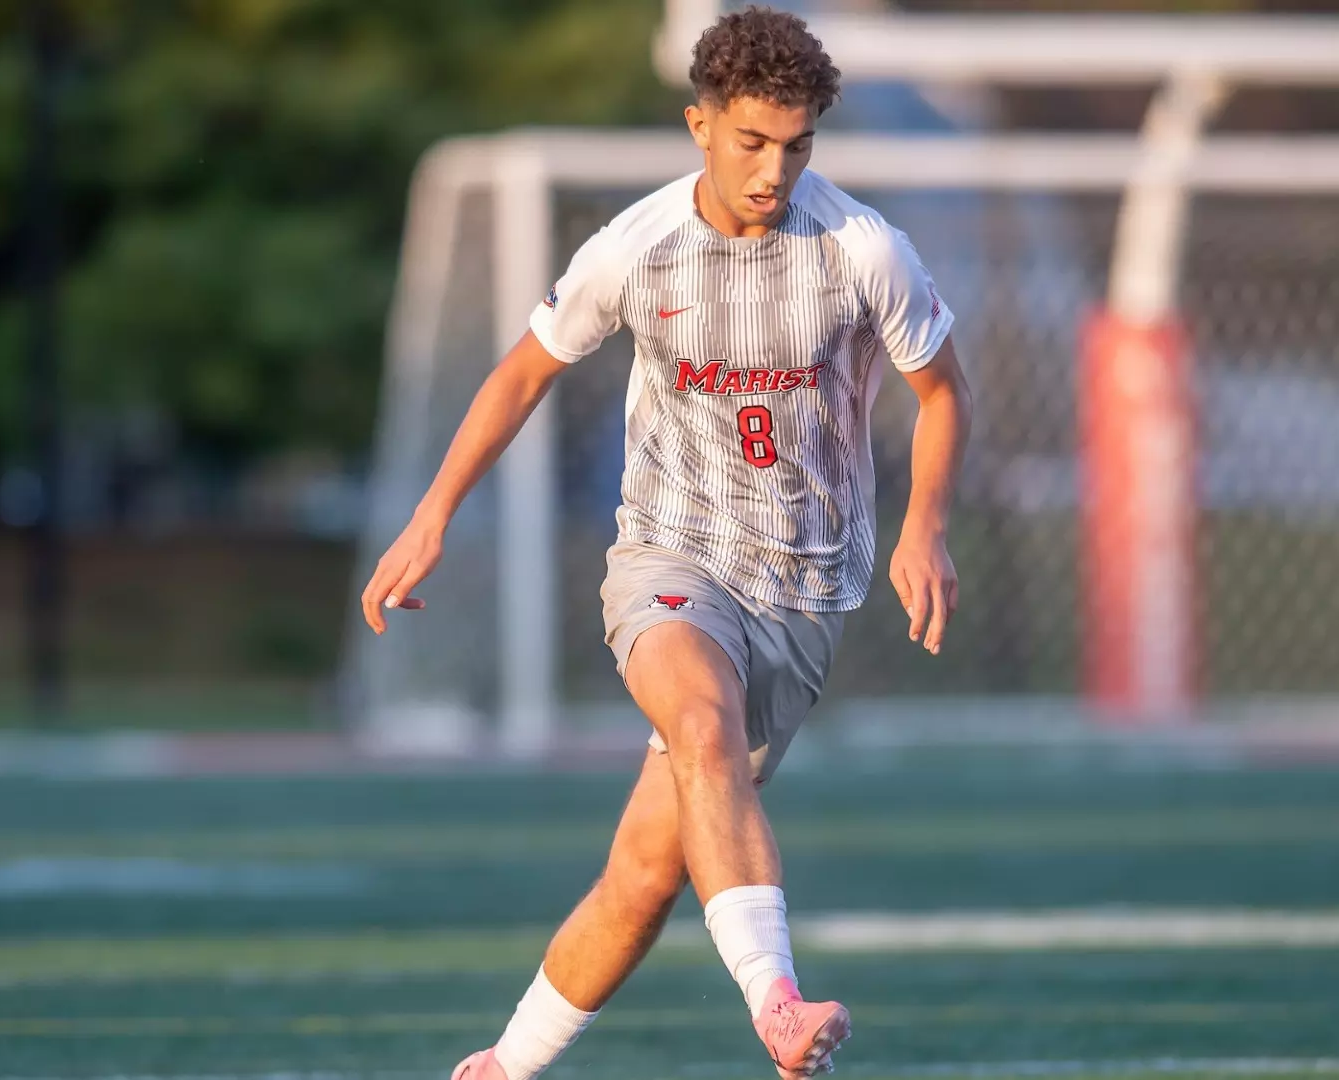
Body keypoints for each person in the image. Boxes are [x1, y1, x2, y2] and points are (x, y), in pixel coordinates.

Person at [359, 7, 972, 1079]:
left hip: (801, 593)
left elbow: (944, 394)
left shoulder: (863, 250)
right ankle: (778, 1004)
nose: (774, 171)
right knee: (700, 720)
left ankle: (502, 1067)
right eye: (751, 142)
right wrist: (431, 514)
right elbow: (522, 373)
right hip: (669, 559)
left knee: (645, 876)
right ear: (701, 126)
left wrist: (925, 525)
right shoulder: (636, 249)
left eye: (797, 145)